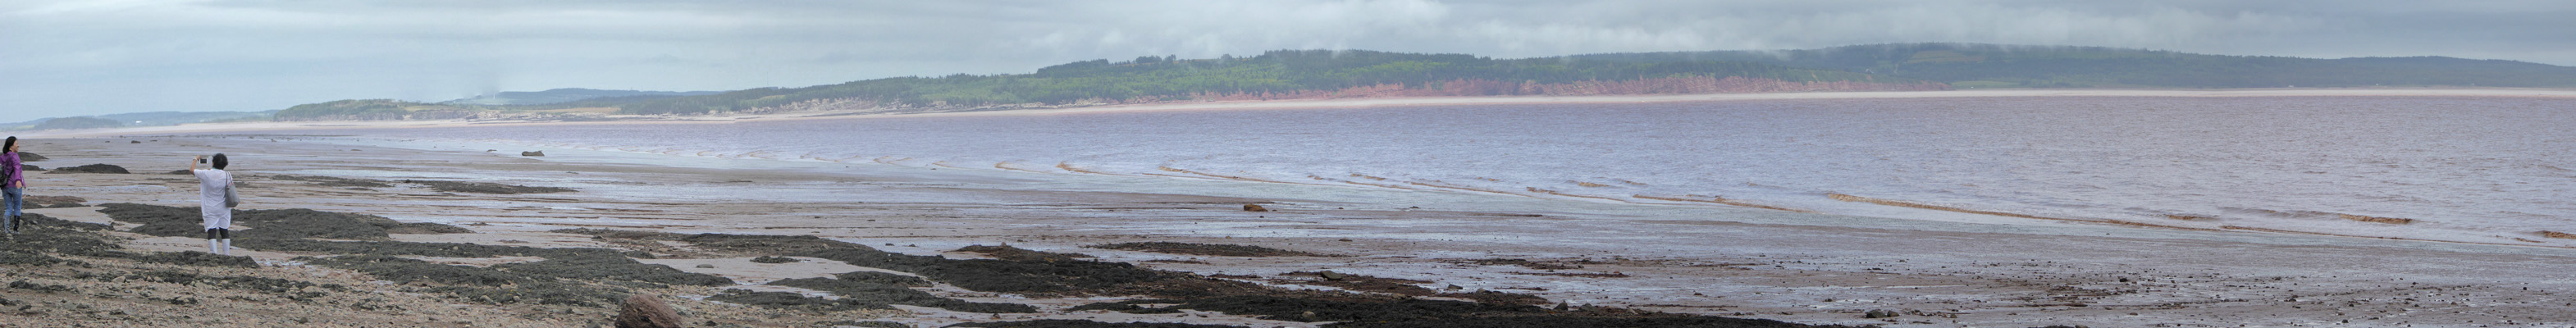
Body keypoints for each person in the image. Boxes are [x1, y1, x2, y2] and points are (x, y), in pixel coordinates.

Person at [192, 153, 234, 254]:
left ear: (213, 162)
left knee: (211, 230)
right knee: (224, 229)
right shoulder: (228, 175)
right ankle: (226, 254)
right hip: (224, 207)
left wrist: (195, 159)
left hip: (209, 207)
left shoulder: (206, 173)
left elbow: (192, 170)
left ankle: (213, 253)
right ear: (225, 164)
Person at [1, 136, 21, 235]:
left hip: (4, 185)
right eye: (16, 143)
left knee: (8, 208)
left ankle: (6, 230)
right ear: (11, 146)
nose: (18, 145)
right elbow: (17, 168)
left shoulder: (2, 157)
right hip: (14, 185)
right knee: (17, 207)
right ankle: (16, 230)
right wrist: (18, 180)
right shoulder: (15, 156)